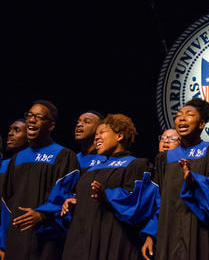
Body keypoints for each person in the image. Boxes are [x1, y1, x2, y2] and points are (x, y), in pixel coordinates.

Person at [141, 98, 209, 260]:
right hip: (167, 233)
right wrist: (151, 234)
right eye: (178, 115)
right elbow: (157, 200)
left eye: (189, 115)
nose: (182, 118)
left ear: (202, 124)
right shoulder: (166, 158)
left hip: (200, 231)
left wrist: (194, 181)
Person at [62, 114, 158, 260]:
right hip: (82, 237)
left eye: (102, 132)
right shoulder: (92, 169)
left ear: (119, 136)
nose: (96, 137)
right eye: (95, 134)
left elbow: (140, 202)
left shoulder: (136, 164)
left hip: (114, 237)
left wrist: (108, 197)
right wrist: (75, 201)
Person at [1, 100, 79, 260]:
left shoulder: (63, 155)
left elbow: (65, 194)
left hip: (47, 235)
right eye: (29, 115)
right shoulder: (18, 158)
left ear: (51, 125)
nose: (31, 119)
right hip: (17, 235)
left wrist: (42, 214)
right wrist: (2, 241)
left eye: (38, 116)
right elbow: (6, 201)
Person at [0, 118, 28, 258]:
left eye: (16, 130)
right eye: (10, 129)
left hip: (14, 238)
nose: (10, 134)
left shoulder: (31, 168)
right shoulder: (4, 164)